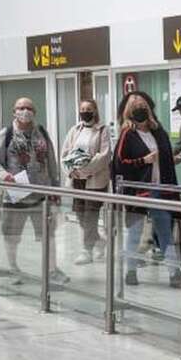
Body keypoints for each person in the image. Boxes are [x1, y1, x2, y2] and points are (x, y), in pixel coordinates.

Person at [0, 97, 69, 285]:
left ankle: (52, 270)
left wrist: (55, 189)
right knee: (12, 235)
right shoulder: (6, 134)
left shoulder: (41, 133)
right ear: (14, 111)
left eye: (29, 108)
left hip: (41, 196)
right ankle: (13, 268)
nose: (25, 111)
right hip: (15, 196)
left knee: (48, 235)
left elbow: (51, 162)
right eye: (21, 107)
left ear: (35, 112)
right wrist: (4, 175)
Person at [113, 91, 181, 288]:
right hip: (138, 191)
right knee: (135, 232)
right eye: (135, 106)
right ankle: (131, 271)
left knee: (165, 232)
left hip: (160, 189)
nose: (139, 109)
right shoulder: (127, 134)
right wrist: (143, 161)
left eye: (142, 105)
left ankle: (174, 272)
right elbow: (120, 164)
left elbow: (167, 161)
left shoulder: (158, 132)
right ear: (128, 111)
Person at [61, 98, 112, 265]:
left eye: (88, 108)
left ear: (95, 110)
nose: (85, 111)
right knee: (81, 215)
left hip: (95, 181)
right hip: (77, 180)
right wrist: (71, 171)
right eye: (82, 108)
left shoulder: (102, 130)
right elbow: (65, 153)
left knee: (91, 215)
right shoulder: (75, 130)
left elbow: (103, 156)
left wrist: (84, 171)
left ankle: (87, 250)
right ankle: (99, 241)